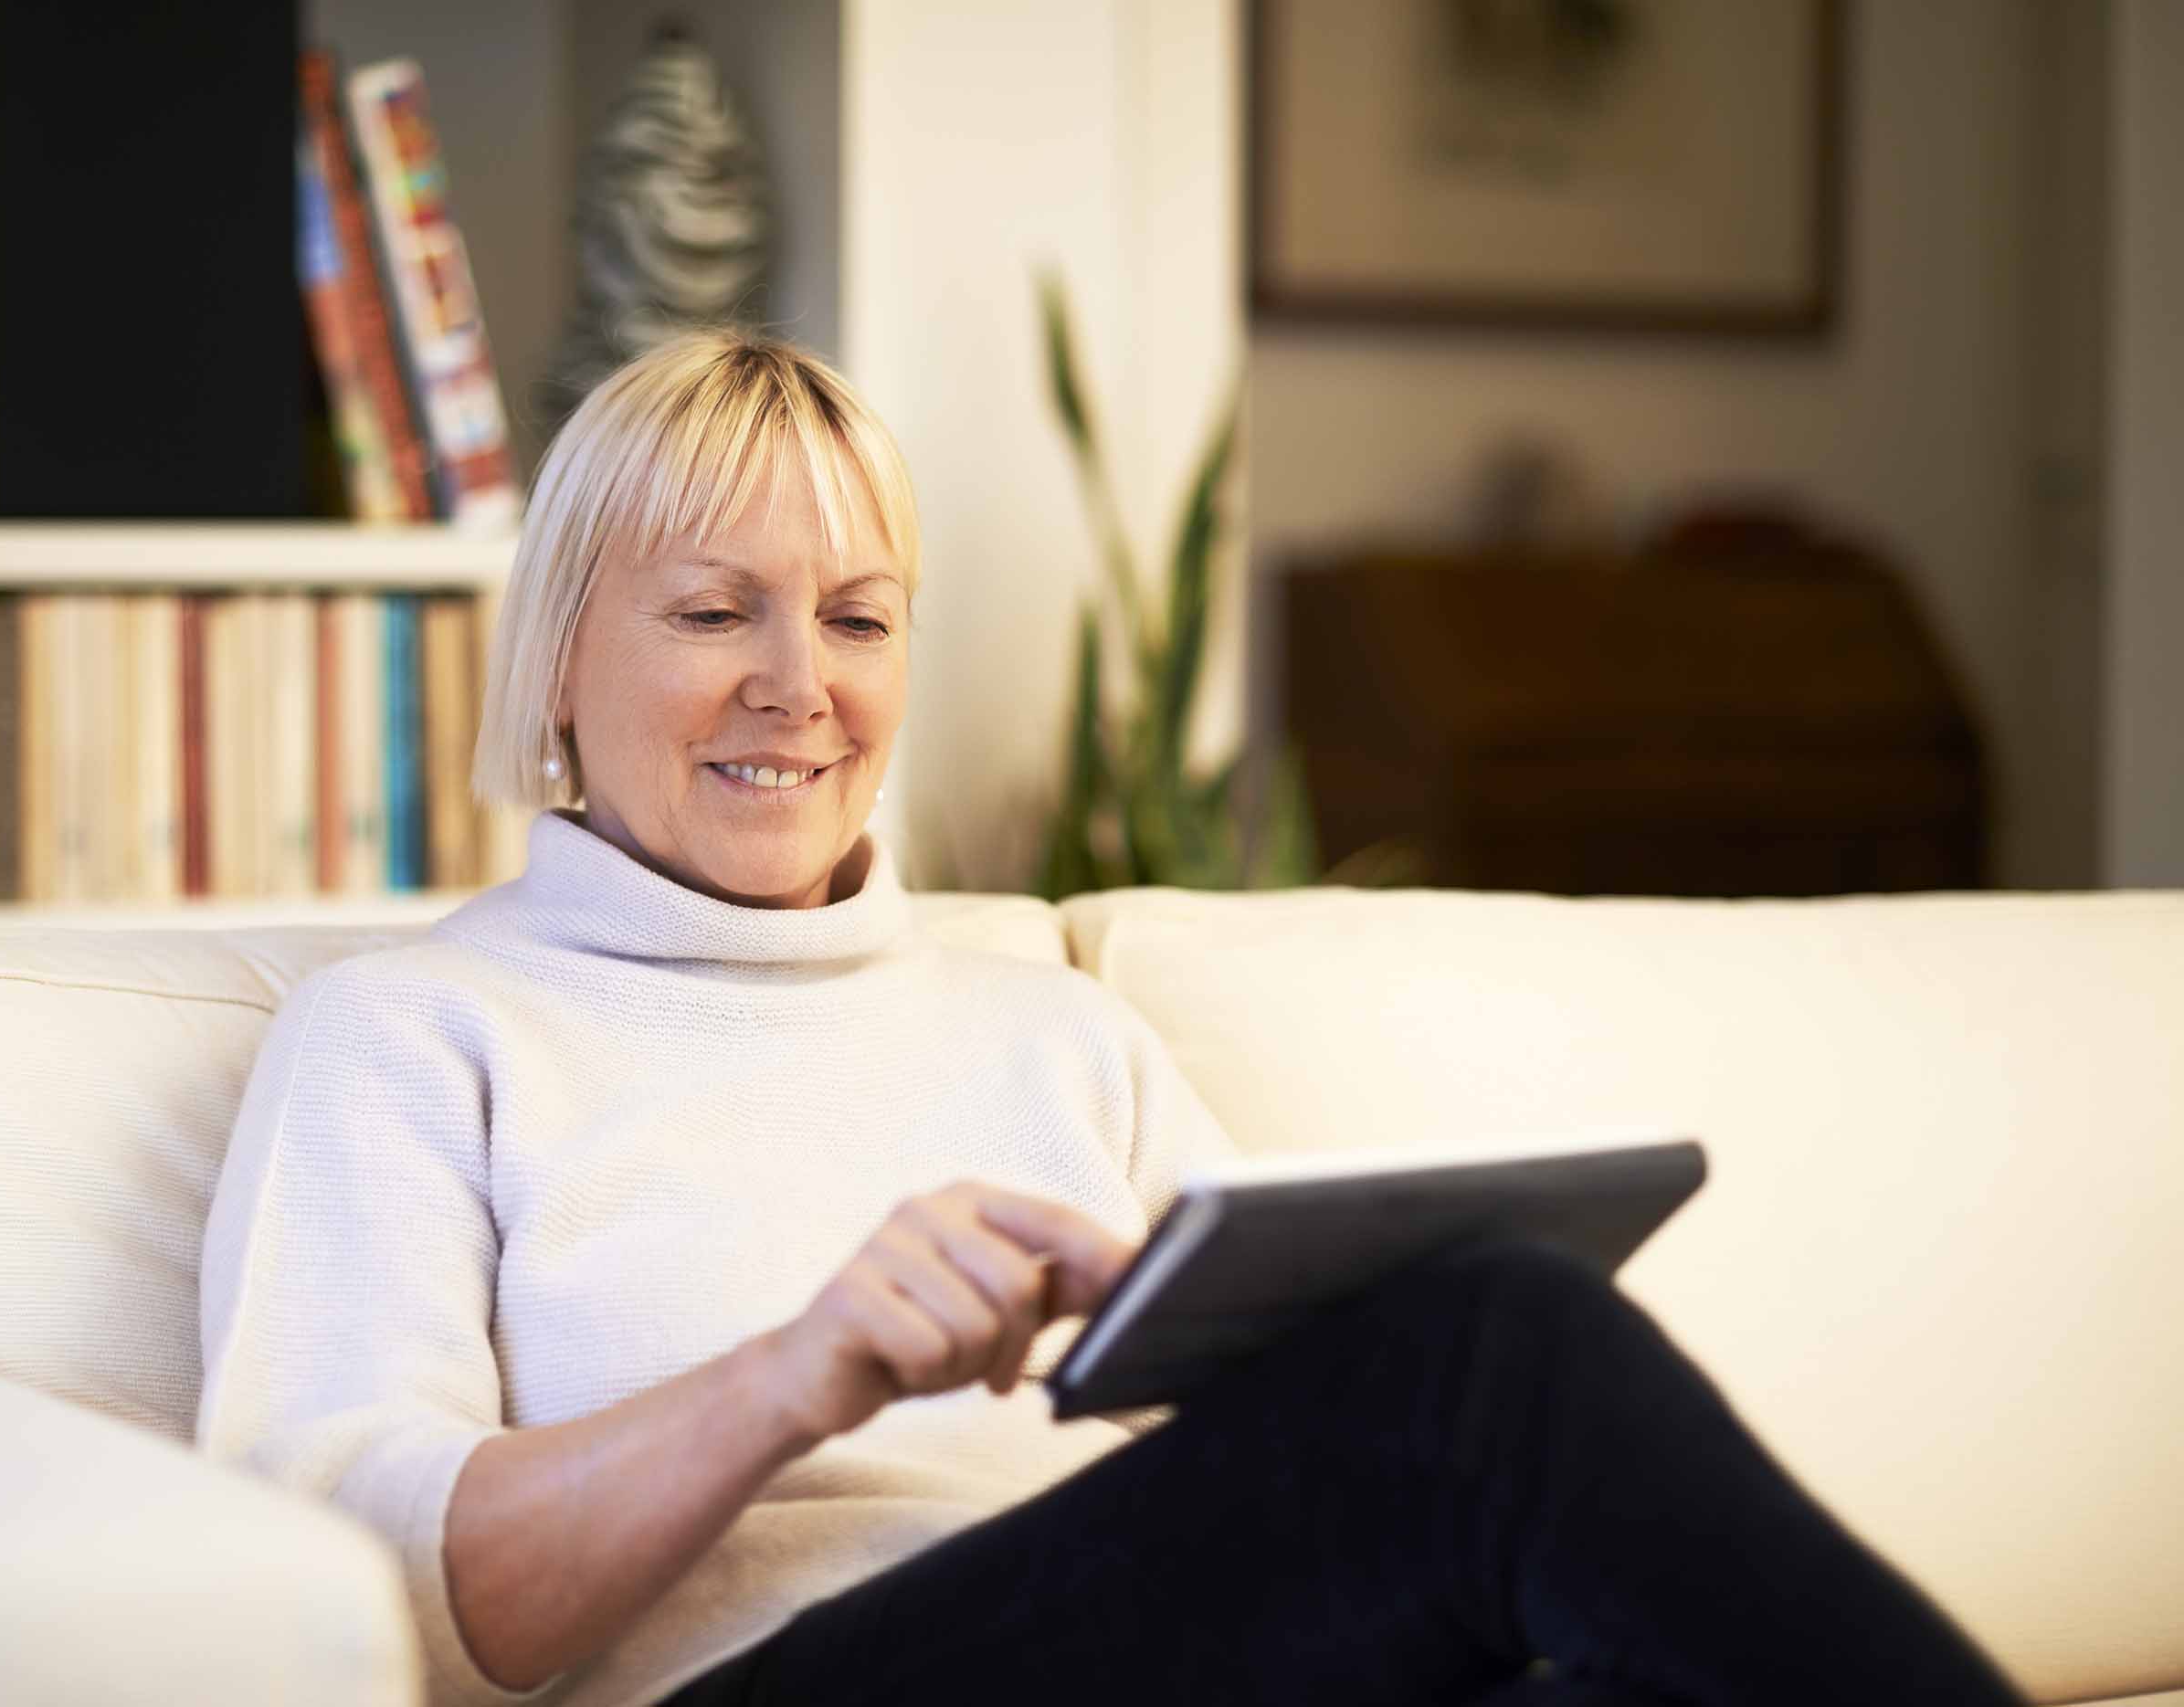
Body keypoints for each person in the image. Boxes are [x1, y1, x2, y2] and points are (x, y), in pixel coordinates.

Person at [195, 330, 2023, 1707]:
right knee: (1494, 1350)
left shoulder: (1050, 1037)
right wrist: (797, 1367)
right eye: (710, 610)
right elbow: (368, 1598)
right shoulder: (414, 1031)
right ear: (558, 664)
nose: (796, 683)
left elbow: (1270, 1505)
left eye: (855, 615)